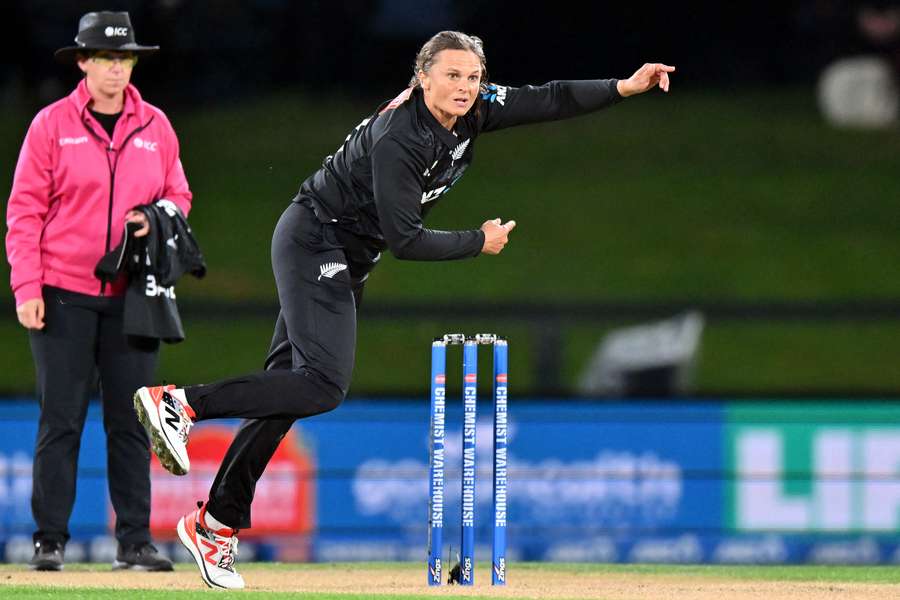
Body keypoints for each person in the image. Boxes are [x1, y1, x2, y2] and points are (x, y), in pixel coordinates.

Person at [134, 30, 673, 589]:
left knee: (285, 390)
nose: (465, 87)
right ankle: (181, 403)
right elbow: (407, 239)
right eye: (452, 76)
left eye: (473, 77)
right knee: (321, 385)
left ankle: (214, 525)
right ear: (422, 77)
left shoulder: (475, 107)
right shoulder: (401, 138)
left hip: (345, 252)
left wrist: (624, 87)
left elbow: (550, 97)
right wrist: (478, 240)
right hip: (317, 241)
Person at [5, 11, 192, 571]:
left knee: (133, 420)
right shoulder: (50, 125)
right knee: (60, 419)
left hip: (134, 293)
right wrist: (26, 285)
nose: (117, 69)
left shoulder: (156, 126)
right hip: (61, 291)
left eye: (125, 58)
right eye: (107, 58)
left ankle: (134, 541)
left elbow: (180, 197)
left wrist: (154, 219)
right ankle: (50, 541)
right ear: (83, 62)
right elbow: (24, 211)